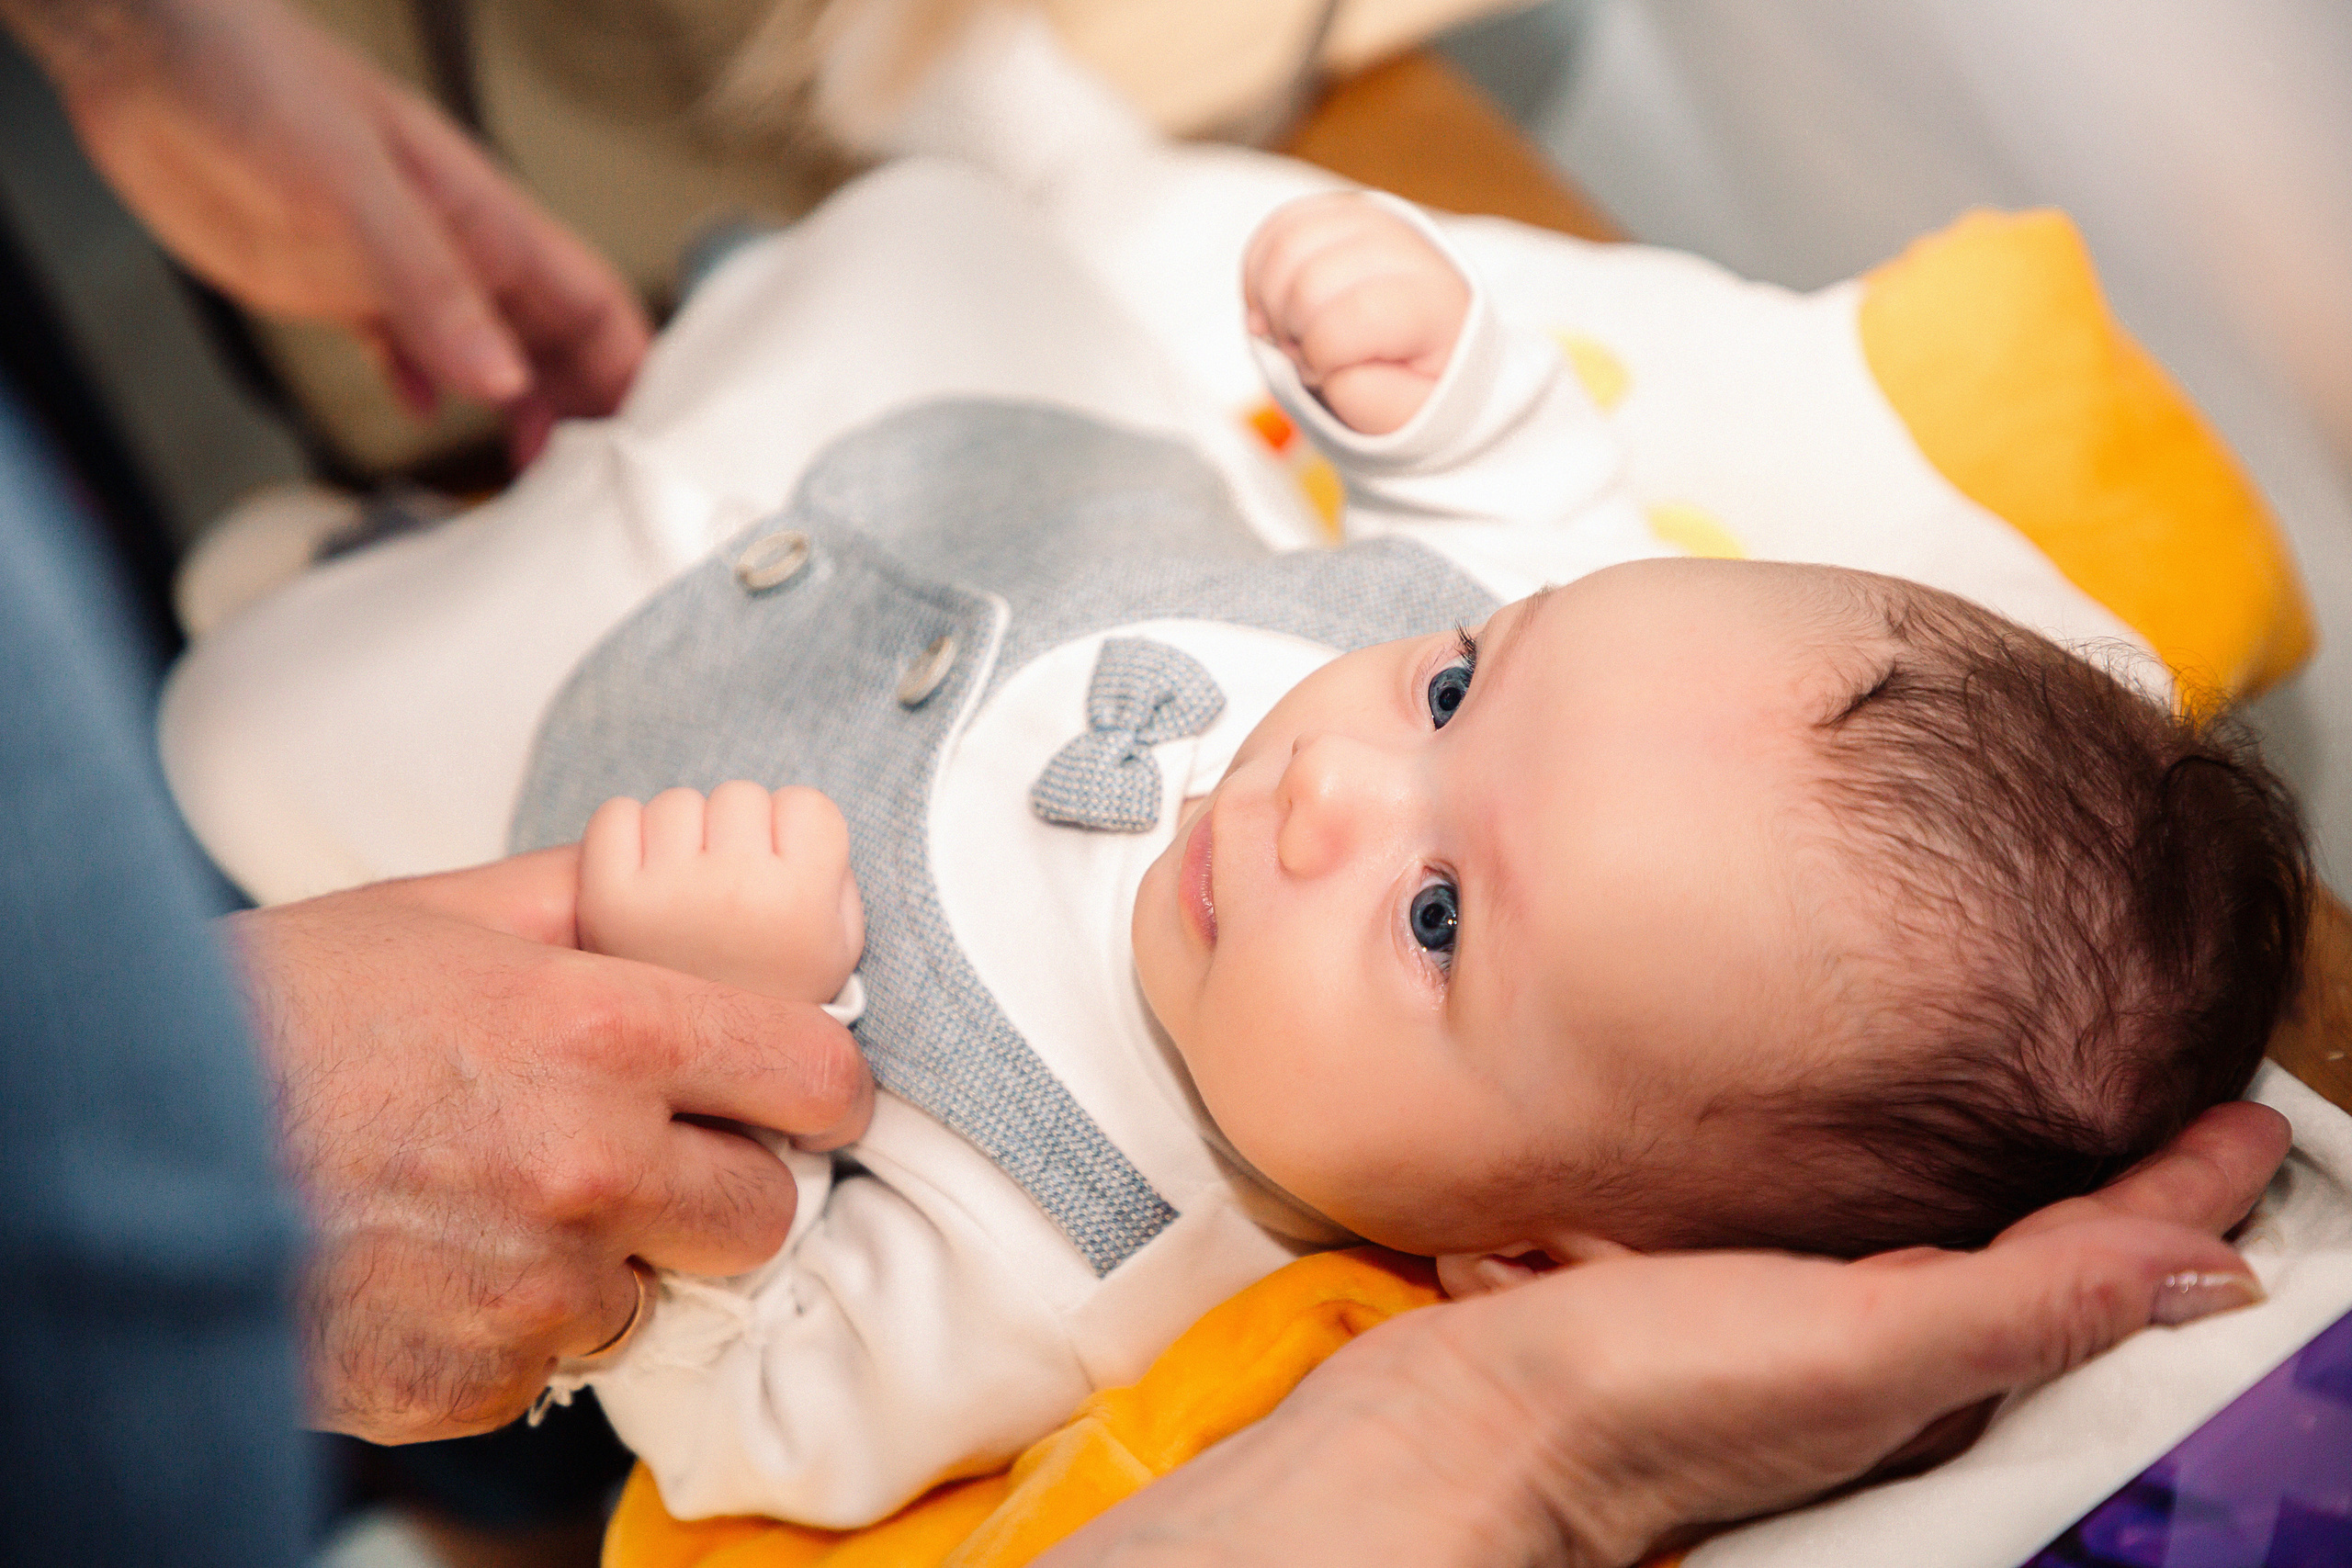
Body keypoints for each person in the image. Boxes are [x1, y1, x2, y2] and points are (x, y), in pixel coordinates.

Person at [0, 1, 2304, 1563]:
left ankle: (293, 555)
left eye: (1430, 922)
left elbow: (745, 1415)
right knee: (860, 277)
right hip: (827, 398)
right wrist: (1431, 382)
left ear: (1527, 1252)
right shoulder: (1595, 771)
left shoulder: (1069, 1273)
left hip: (437, 759)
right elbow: (1552, 527)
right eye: (1446, 690)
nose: (1327, 791)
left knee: (240, 680)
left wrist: (714, 1047)